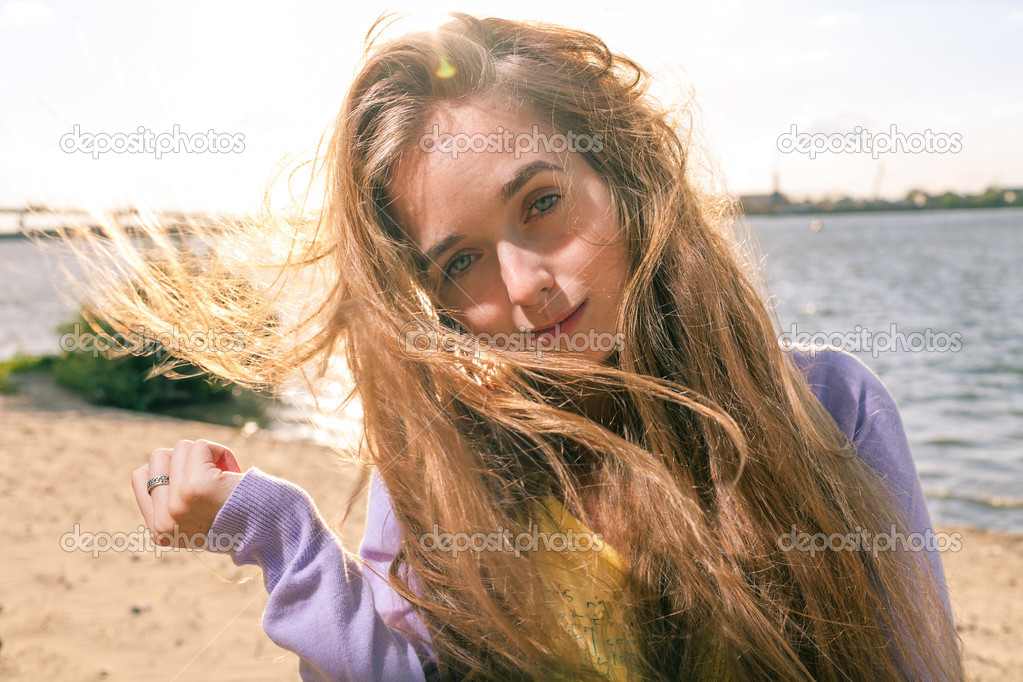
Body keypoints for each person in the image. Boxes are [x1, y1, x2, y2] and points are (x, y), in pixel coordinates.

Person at [112, 13, 965, 681]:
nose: (524, 286)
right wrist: (283, 535)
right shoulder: (441, 471)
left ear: (622, 173)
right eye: (460, 260)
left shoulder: (824, 409)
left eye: (543, 203)